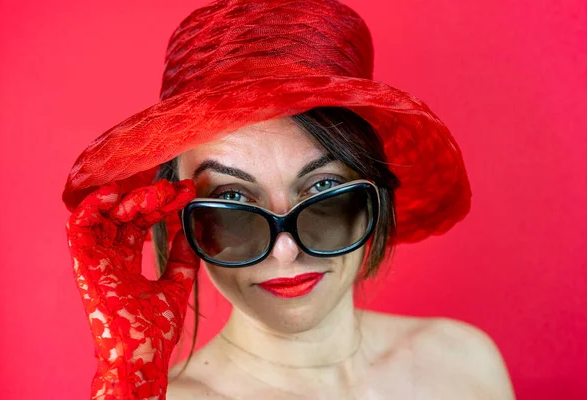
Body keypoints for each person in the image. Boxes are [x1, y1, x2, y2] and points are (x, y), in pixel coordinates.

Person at [63, 0, 516, 399]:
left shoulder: (465, 364)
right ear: (177, 218)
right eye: (232, 197)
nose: (287, 249)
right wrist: (131, 383)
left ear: (373, 192)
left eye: (321, 189)